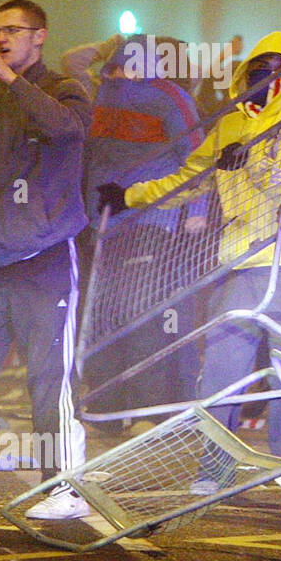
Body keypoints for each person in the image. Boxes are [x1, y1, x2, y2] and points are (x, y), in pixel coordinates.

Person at [101, 33, 281, 489]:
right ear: (246, 74)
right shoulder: (230, 126)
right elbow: (189, 178)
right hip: (236, 263)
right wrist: (130, 196)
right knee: (221, 373)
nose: (269, 77)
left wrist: (251, 159)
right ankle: (213, 469)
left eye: (279, 68)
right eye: (261, 67)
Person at [0, 0, 93, 519]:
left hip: (44, 259)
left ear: (39, 36)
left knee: (48, 378)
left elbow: (67, 132)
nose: (2, 39)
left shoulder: (62, 90)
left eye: (13, 31)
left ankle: (63, 486)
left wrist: (8, 79)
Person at [80, 35, 206, 416]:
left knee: (140, 316)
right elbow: (75, 60)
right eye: (119, 62)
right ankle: (107, 407)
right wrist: (108, 44)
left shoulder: (169, 97)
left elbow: (196, 154)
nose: (124, 70)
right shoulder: (102, 92)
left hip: (149, 221)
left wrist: (196, 209)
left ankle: (147, 409)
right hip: (99, 226)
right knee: (102, 315)